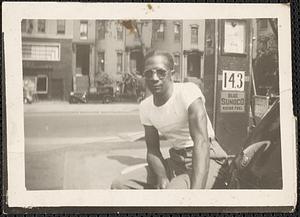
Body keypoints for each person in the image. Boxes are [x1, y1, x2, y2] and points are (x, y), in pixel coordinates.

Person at [111, 50, 227, 189]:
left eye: (161, 72)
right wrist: (161, 176)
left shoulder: (187, 91)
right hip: (176, 161)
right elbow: (153, 150)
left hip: (207, 157)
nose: (154, 78)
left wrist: (196, 197)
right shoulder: (145, 107)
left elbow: (201, 142)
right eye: (149, 73)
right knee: (120, 184)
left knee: (172, 194)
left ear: (172, 74)